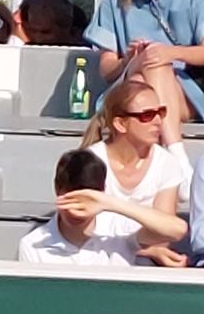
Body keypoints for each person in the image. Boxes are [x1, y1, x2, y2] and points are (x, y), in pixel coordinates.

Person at [86, 0, 204, 126]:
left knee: (152, 65)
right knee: (143, 73)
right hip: (130, 84)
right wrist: (128, 59)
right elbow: (106, 70)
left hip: (183, 88)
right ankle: (173, 144)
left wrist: (169, 53)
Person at [79, 78, 189, 266]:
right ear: (120, 124)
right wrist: (139, 245)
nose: (158, 121)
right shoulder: (91, 161)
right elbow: (82, 228)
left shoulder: (166, 163)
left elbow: (163, 235)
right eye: (147, 115)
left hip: (142, 257)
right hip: (92, 254)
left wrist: (141, 248)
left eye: (161, 112)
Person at [17, 149, 144, 266]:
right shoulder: (32, 245)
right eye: (71, 198)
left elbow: (158, 229)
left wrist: (110, 203)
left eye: (87, 199)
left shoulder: (121, 229)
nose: (77, 210)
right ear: (57, 189)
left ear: (101, 193)